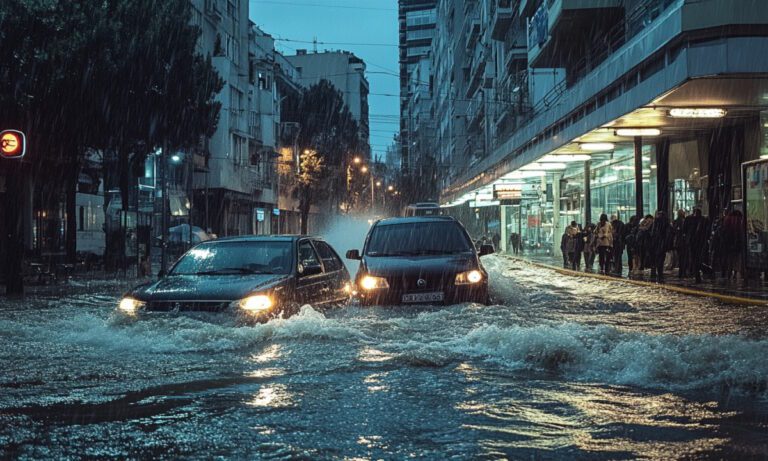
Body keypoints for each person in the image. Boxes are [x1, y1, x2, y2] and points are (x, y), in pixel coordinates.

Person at [684, 208, 708, 283]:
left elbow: (684, 230)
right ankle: (699, 273)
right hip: (699, 242)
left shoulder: (689, 219)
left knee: (694, 259)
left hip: (694, 242)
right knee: (697, 259)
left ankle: (698, 273)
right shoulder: (703, 220)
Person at [649, 210, 672, 283]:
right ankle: (660, 275)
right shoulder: (666, 224)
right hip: (662, 244)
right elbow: (669, 235)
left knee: (654, 259)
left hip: (655, 244)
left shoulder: (655, 223)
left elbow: (652, 233)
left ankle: (654, 274)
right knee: (660, 260)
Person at [673, 209, 688, 278]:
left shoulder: (676, 221)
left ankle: (681, 272)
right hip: (682, 242)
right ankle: (683, 272)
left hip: (678, 242)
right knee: (683, 258)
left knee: (681, 258)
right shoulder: (683, 221)